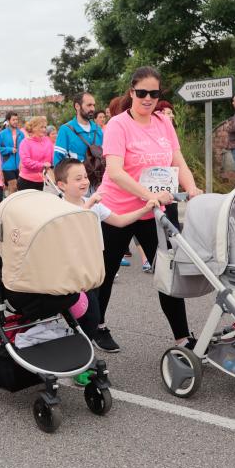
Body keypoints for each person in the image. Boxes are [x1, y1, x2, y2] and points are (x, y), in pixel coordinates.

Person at [96, 66, 203, 352]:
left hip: (155, 211)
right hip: (118, 210)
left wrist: (192, 188)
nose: (147, 98)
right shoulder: (118, 125)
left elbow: (177, 160)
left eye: (153, 94)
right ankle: (97, 326)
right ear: (132, 92)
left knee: (168, 272)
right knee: (104, 272)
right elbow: (116, 172)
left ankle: (183, 337)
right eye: (141, 93)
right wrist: (147, 196)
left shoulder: (162, 122)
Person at [54, 158, 159, 380]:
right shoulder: (59, 207)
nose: (84, 181)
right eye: (77, 178)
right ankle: (78, 364)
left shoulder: (93, 204)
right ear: (61, 184)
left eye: (85, 176)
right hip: (71, 274)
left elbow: (120, 221)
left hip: (92, 271)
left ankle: (80, 360)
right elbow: (71, 225)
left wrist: (144, 209)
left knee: (89, 317)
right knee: (83, 317)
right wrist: (89, 204)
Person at [52, 92, 103, 166]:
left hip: (98, 176)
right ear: (77, 106)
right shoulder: (65, 130)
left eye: (93, 105)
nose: (93, 108)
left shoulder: (98, 129)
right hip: (76, 176)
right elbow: (58, 161)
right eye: (89, 105)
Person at [17, 116, 53, 191]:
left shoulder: (47, 141)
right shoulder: (25, 142)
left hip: (42, 180)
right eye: (41, 127)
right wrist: (42, 165)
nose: (44, 130)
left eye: (45, 127)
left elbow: (52, 158)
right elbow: (26, 162)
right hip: (26, 181)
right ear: (33, 128)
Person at [0, 111, 24, 195]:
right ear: (8, 121)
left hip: (20, 166)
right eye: (13, 120)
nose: (15, 121)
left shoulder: (21, 133)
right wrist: (9, 149)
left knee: (19, 188)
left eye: (17, 119)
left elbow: (25, 148)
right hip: (7, 166)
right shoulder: (2, 134)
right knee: (13, 186)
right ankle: (11, 206)